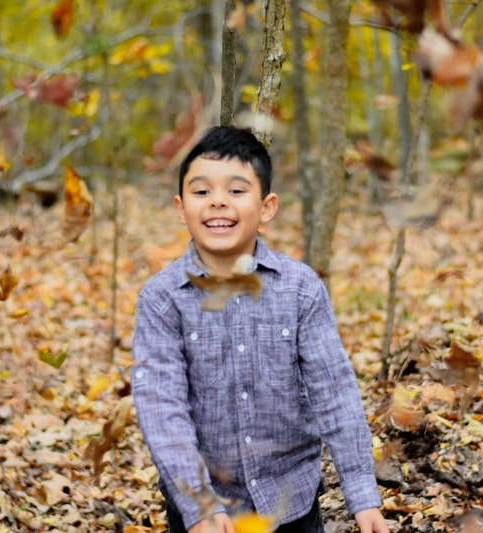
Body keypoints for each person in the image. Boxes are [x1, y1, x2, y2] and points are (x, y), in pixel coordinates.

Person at [131, 126, 389, 533]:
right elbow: (161, 407)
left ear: (267, 208)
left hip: (291, 502)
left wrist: (362, 494)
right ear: (181, 208)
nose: (218, 201)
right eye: (202, 191)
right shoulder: (162, 299)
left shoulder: (300, 289)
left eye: (236, 190)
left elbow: (334, 391)